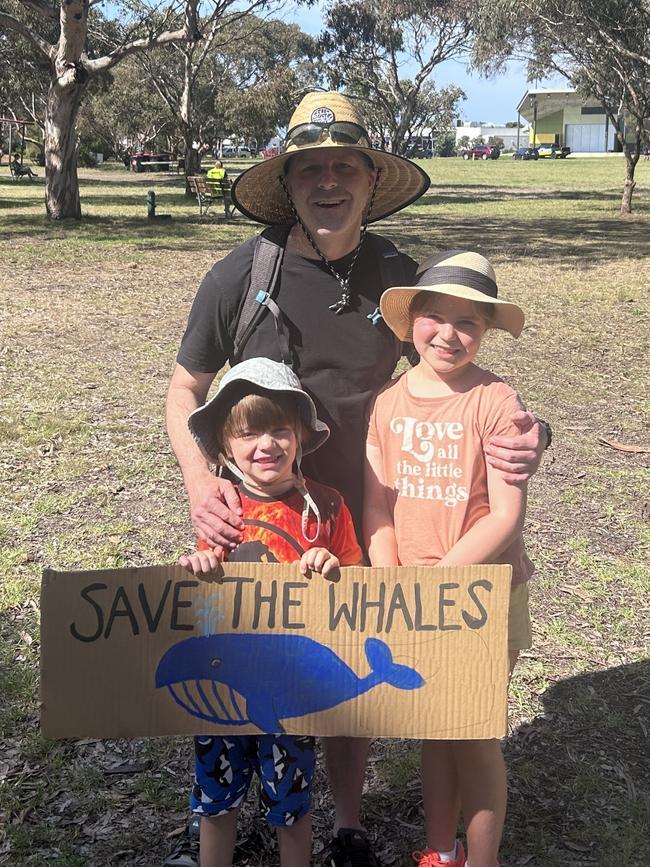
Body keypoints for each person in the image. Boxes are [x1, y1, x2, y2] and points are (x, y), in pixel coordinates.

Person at [166, 90, 548, 867]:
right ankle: (224, 820)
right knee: (247, 669)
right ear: (290, 180)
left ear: (372, 182)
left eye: (346, 167)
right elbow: (183, 389)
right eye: (312, 168)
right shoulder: (243, 273)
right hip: (261, 512)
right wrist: (202, 485)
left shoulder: (396, 279)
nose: (329, 181)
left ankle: (344, 824)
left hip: (359, 522)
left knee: (344, 677)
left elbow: (458, 377)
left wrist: (531, 434)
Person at [364, 250, 535, 867]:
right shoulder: (387, 403)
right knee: (434, 727)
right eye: (436, 316)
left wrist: (436, 581)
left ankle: (483, 859)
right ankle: (440, 850)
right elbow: (376, 506)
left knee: (475, 735)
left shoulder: (495, 399)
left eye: (470, 322)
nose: (450, 334)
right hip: (412, 595)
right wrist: (390, 577)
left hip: (478, 596)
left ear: (486, 331)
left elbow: (505, 515)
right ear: (411, 321)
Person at [176, 357, 363, 867]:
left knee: (292, 806)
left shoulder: (327, 507)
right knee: (216, 801)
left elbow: (360, 582)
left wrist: (330, 565)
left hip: (291, 692)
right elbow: (208, 583)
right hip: (223, 694)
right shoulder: (223, 508)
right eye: (249, 433)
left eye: (280, 430)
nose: (267, 445)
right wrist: (199, 563)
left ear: (301, 436)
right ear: (225, 446)